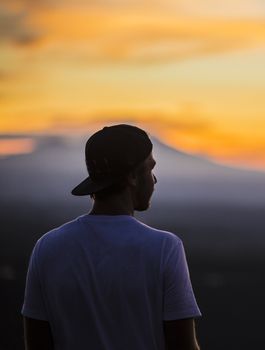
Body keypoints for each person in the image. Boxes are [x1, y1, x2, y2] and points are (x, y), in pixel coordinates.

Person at [21, 124, 201, 350]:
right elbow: (182, 344)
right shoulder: (165, 248)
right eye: (149, 169)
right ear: (133, 177)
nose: (154, 180)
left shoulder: (47, 247)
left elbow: (37, 342)